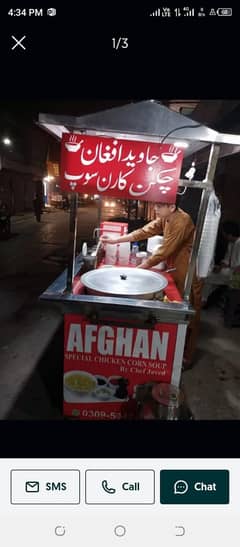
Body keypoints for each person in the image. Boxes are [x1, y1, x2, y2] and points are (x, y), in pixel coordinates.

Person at [100, 200, 203, 369]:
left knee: (190, 312)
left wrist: (138, 269)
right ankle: (174, 348)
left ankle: (187, 356)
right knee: (175, 307)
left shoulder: (182, 220)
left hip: (188, 269)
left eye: (159, 206)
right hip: (174, 266)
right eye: (155, 205)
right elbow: (143, 232)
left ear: (171, 207)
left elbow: (165, 251)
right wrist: (115, 240)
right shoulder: (165, 218)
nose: (155, 209)